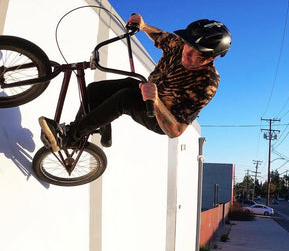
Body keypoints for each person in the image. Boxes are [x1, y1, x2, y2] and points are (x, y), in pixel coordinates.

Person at [39, 14, 231, 151]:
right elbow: (161, 37)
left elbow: (176, 130)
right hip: (146, 91)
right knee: (95, 90)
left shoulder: (206, 84)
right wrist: (144, 25)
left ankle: (69, 137)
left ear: (211, 59)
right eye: (188, 45)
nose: (186, 53)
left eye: (196, 54)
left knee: (125, 98)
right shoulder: (179, 45)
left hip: (159, 117)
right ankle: (102, 131)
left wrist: (155, 101)